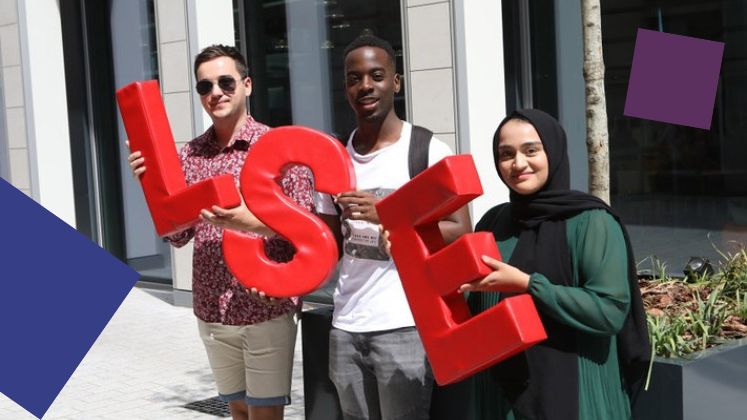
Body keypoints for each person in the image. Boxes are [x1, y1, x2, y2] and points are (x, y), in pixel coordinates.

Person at [127, 44, 313, 420]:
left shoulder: (278, 148)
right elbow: (177, 236)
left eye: (226, 81)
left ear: (247, 85)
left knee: (264, 416)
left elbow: (306, 227)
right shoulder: (190, 156)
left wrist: (245, 221)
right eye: (205, 86)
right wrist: (149, 186)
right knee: (238, 412)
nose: (215, 92)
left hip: (265, 307)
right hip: (212, 310)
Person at [315, 34, 472, 420]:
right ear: (345, 87)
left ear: (396, 82)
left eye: (376, 75)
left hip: (405, 325)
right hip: (346, 325)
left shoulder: (427, 150)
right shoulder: (332, 159)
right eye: (354, 78)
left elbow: (461, 230)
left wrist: (389, 215)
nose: (365, 86)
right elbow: (325, 243)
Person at [458, 109, 650, 420]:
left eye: (531, 150)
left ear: (554, 150)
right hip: (504, 400)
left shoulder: (592, 223)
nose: (518, 164)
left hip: (576, 399)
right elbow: (467, 297)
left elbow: (610, 310)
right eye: (506, 154)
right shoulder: (494, 222)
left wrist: (528, 285)